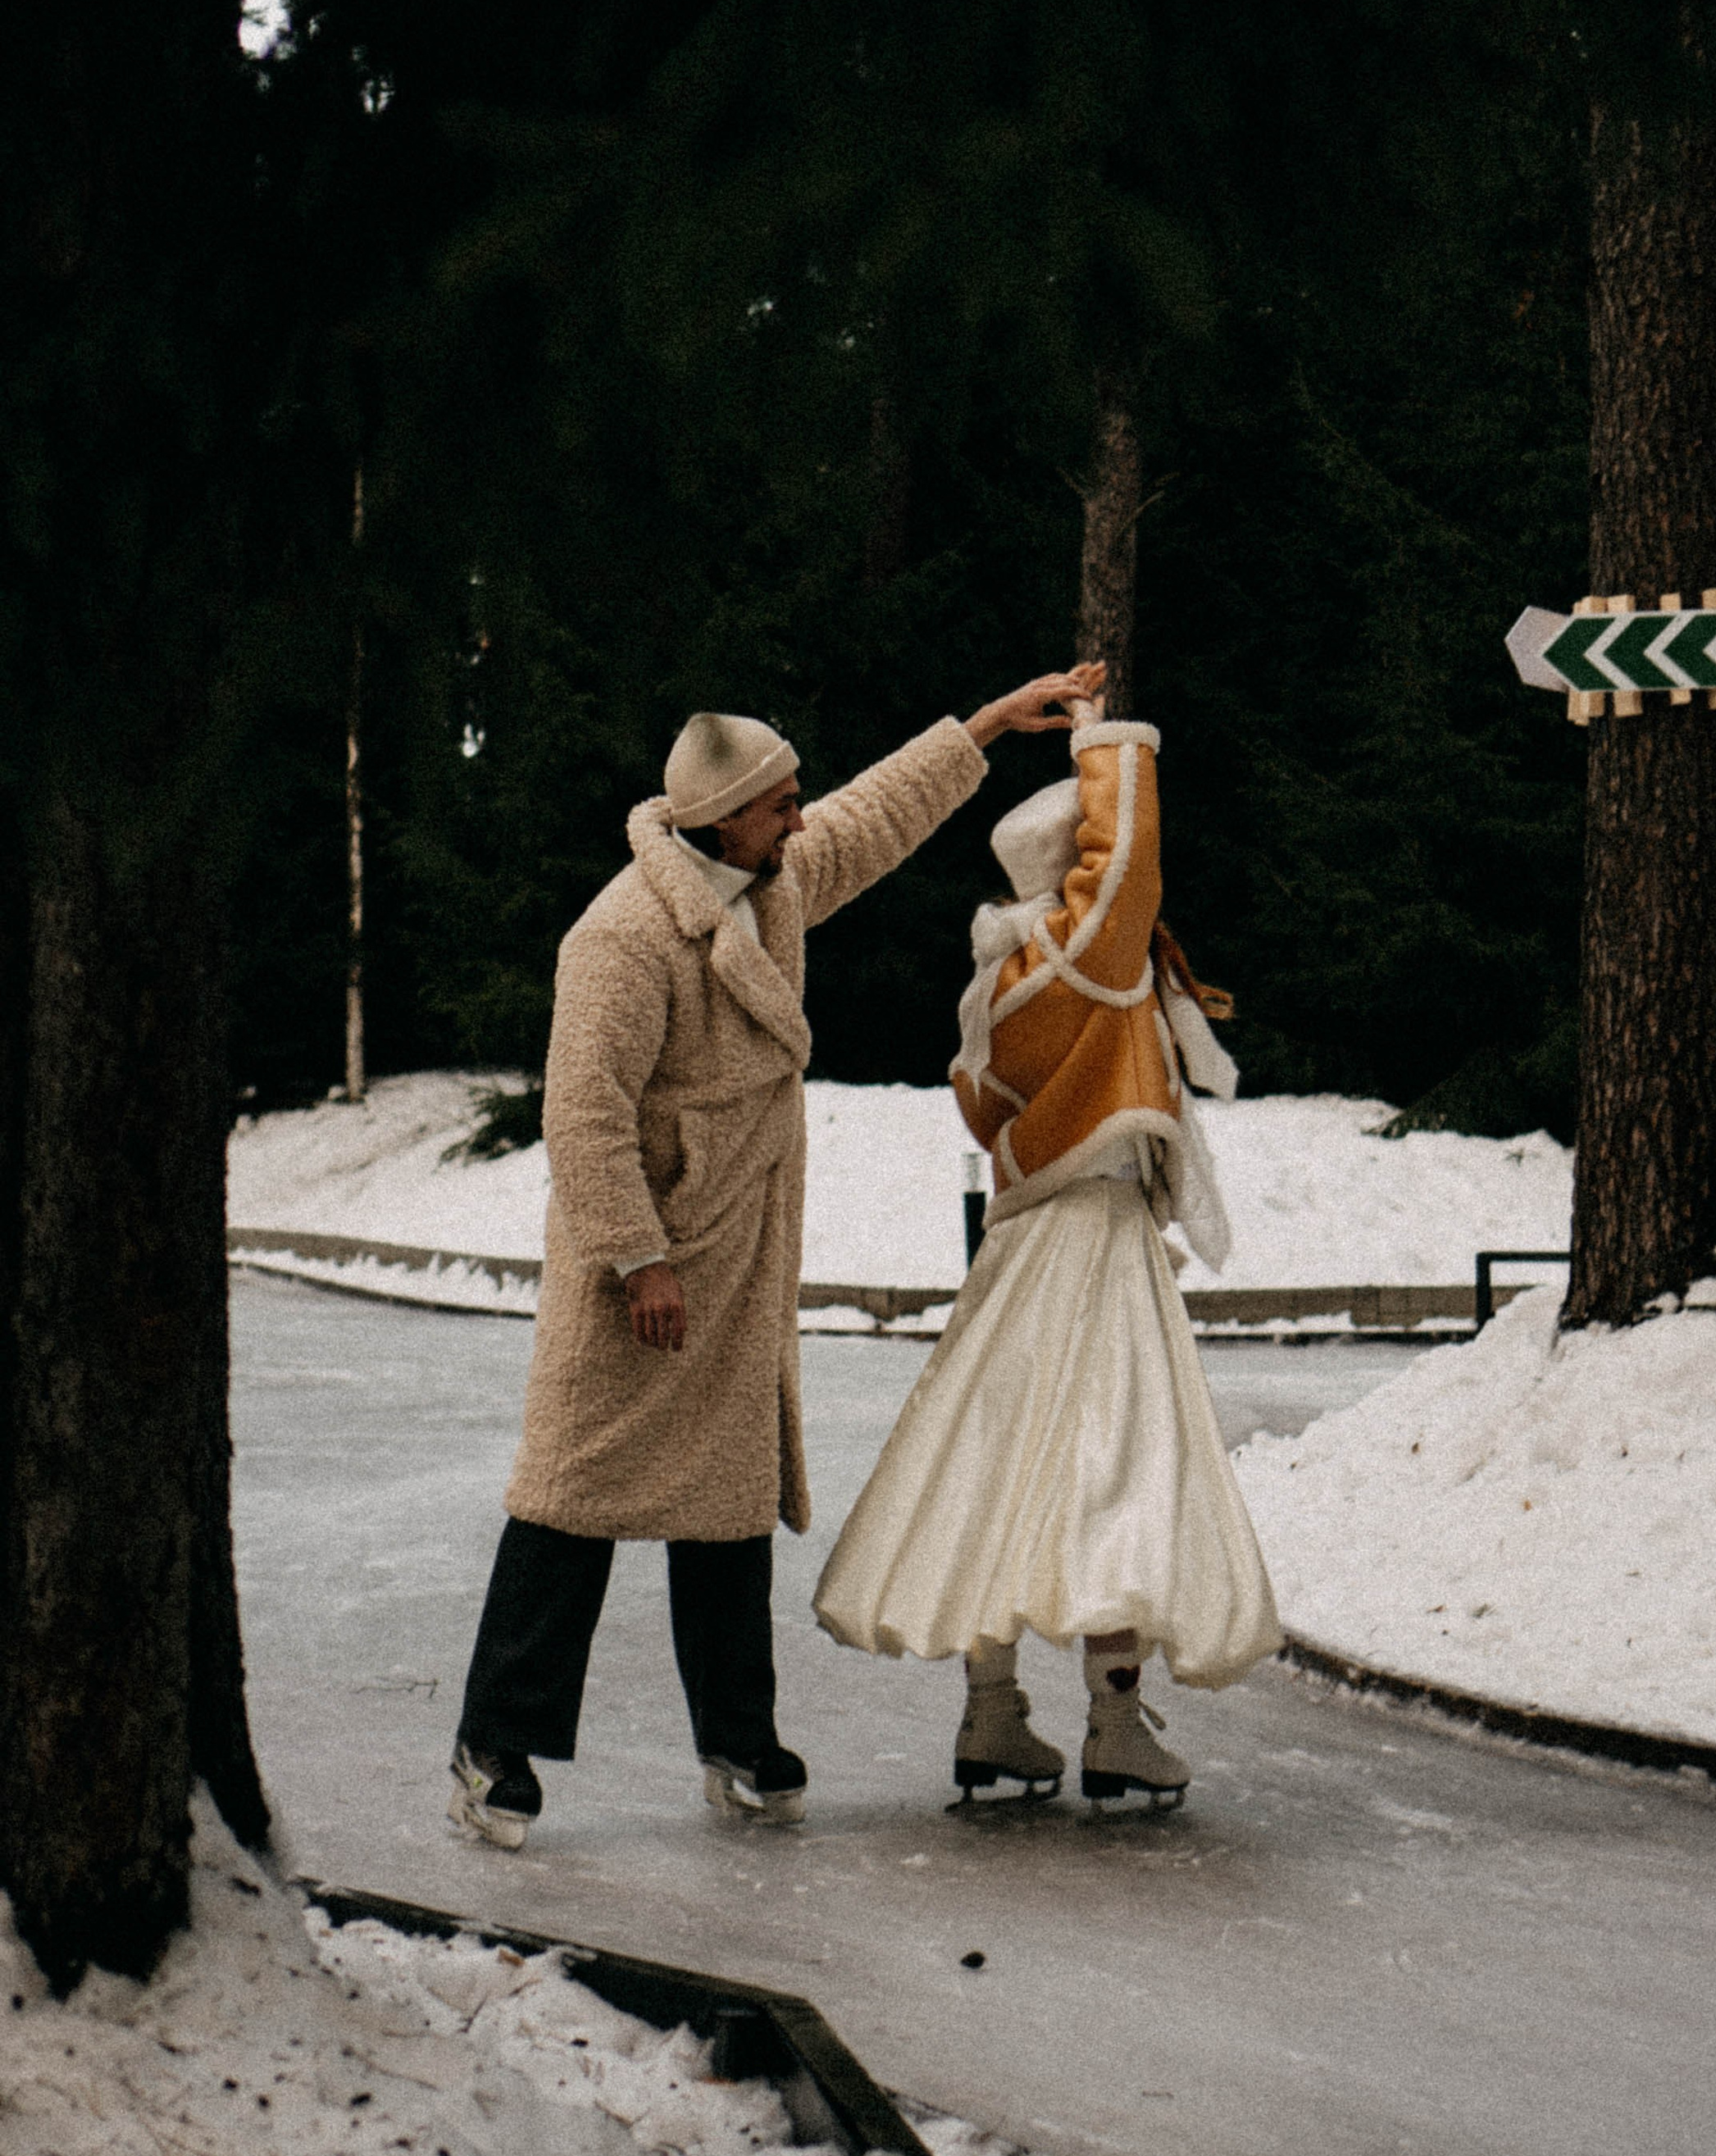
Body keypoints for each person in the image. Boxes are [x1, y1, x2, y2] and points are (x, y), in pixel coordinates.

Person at [447, 673, 1099, 1849]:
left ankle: (738, 1741)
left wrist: (993, 725)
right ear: (724, 818)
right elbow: (584, 1117)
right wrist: (640, 1259)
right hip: (640, 1266)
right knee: (571, 1499)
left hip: (738, 1251)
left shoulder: (772, 882)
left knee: (726, 1504)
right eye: (782, 802)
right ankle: (494, 1747)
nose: (803, 817)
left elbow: (877, 814)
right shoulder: (623, 937)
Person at [814, 686, 1281, 1810]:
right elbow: (1128, 874)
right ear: (1064, 873)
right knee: (1117, 1467)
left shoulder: (1001, 983)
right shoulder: (1082, 960)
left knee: (996, 1461)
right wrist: (1102, 737)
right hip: (1098, 1243)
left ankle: (992, 1717)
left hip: (1020, 1248)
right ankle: (1114, 1725)